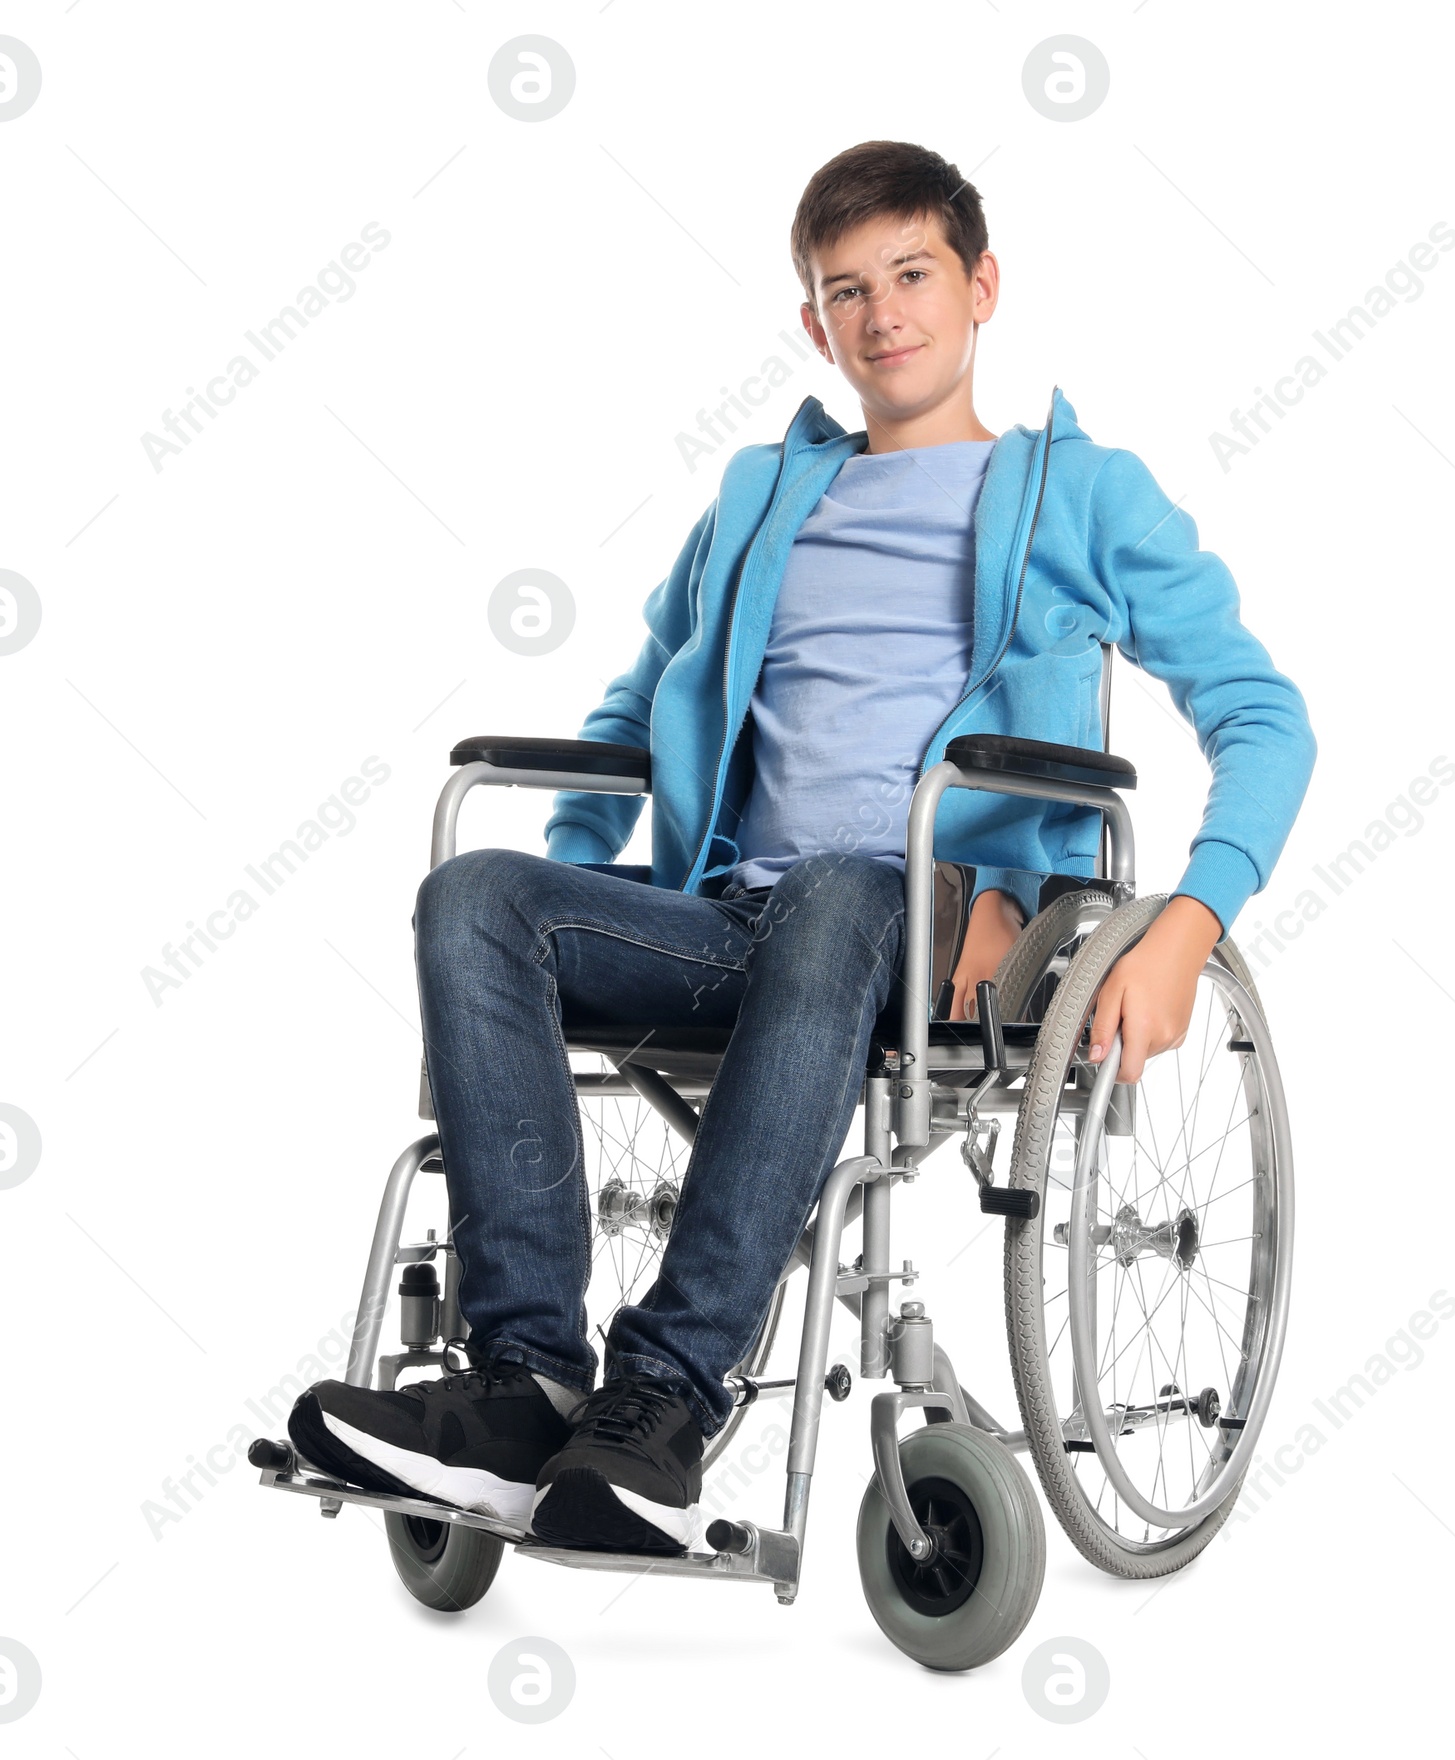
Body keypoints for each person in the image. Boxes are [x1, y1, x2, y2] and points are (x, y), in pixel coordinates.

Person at [290, 139, 1316, 1556]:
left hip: (939, 929)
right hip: (735, 928)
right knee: (472, 891)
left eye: (911, 274)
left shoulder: (1083, 495)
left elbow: (1266, 717)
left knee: (844, 889)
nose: (883, 311)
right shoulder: (765, 493)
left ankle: (664, 1398)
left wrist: (1189, 921)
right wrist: (578, 876)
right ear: (814, 322)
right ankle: (523, 1381)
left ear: (981, 286)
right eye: (847, 289)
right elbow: (640, 705)